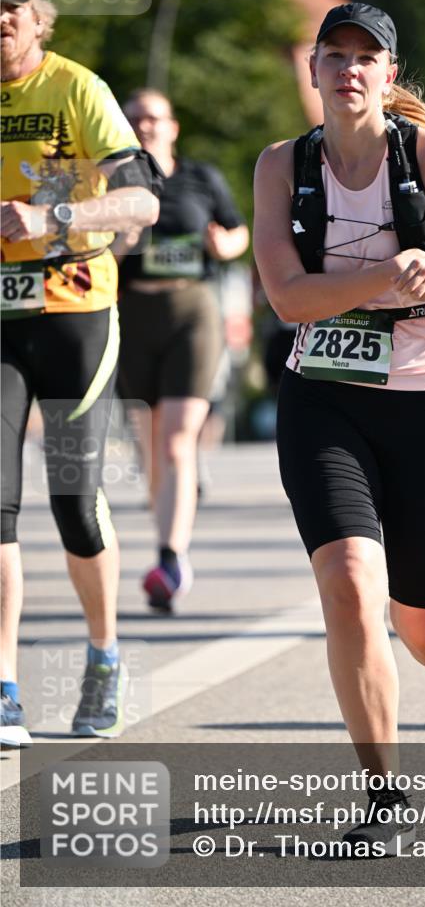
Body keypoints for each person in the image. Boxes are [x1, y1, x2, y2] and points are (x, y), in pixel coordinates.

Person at [253, 2, 425, 855]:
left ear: (387, 75)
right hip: (324, 399)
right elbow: (288, 300)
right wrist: (385, 274)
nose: (347, 70)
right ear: (312, 70)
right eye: (332, 55)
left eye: (364, 58)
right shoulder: (279, 166)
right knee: (346, 587)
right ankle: (381, 793)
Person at [0, 0, 160, 747]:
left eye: (13, 11)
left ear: (39, 22)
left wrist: (50, 214)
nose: (1, 22)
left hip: (74, 311)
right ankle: (3, 686)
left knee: (73, 501)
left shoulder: (77, 89)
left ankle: (104, 656)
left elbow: (142, 201)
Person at [112, 90, 248, 612]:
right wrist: (122, 238)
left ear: (172, 127)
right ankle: (170, 516)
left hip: (192, 310)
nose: (145, 125)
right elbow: (96, 252)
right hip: (134, 316)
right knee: (149, 446)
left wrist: (223, 243)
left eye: (154, 117)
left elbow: (238, 233)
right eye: (135, 118)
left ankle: (171, 558)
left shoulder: (200, 177)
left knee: (176, 441)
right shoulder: (112, 183)